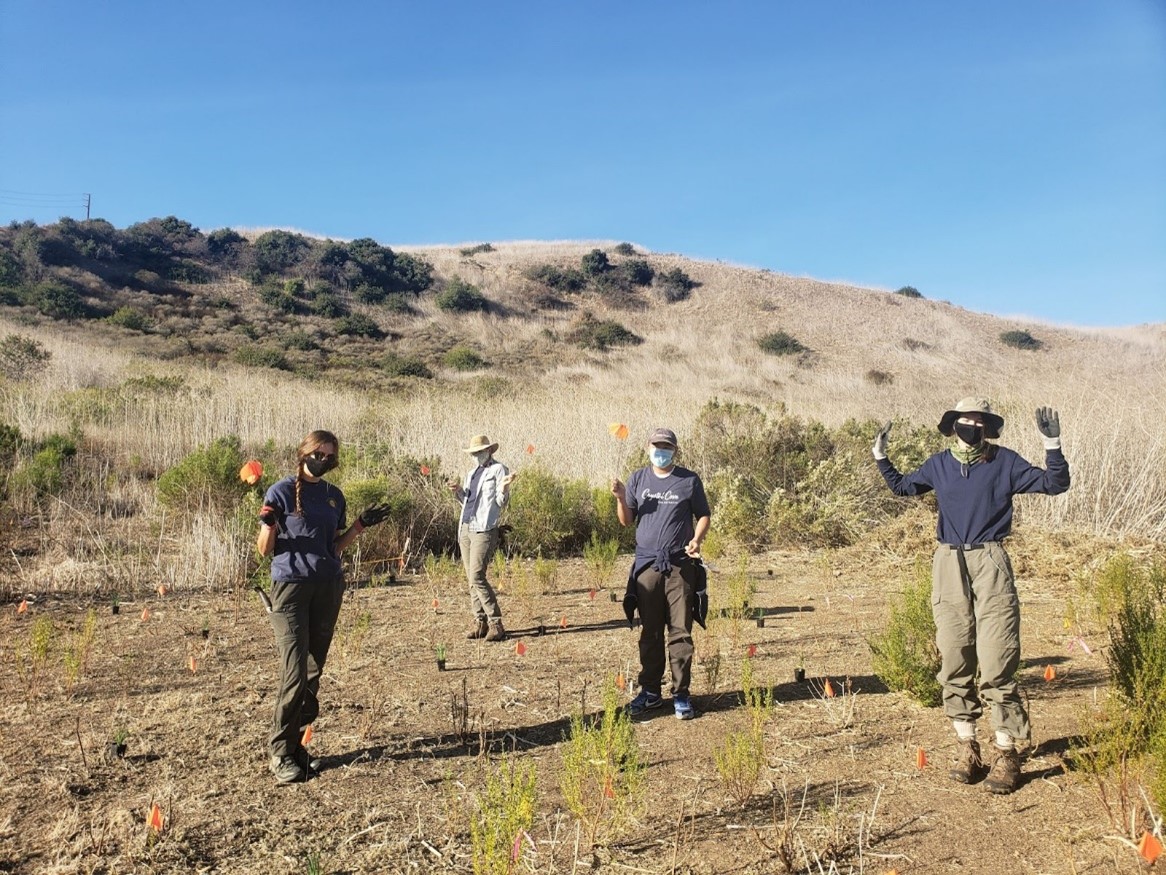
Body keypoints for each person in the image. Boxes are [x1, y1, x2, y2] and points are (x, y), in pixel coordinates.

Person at [872, 398, 1070, 794]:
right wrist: (881, 457)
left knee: (998, 656)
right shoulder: (939, 465)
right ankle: (968, 748)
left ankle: (1006, 751)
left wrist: (1053, 446)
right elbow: (901, 486)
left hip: (991, 559)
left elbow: (1055, 484)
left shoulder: (1005, 462)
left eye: (977, 421)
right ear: (952, 426)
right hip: (947, 563)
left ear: (987, 428)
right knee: (954, 651)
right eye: (964, 420)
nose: (970, 426)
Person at [256, 430, 390, 784]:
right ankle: (280, 752)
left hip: (328, 586)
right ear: (304, 452)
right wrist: (270, 523)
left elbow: (334, 546)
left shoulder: (334, 496)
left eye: (331, 456)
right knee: (294, 672)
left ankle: (298, 748)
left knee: (313, 672)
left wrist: (360, 525)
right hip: (290, 588)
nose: (325, 460)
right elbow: (264, 549)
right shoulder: (281, 491)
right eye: (320, 454)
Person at [611, 427, 711, 721]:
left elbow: (703, 515)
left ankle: (681, 694)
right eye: (657, 446)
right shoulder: (638, 479)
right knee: (650, 632)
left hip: (681, 565)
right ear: (648, 448)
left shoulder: (689, 480)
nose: (661, 451)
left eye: (667, 447)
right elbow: (626, 521)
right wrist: (620, 497)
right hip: (647, 567)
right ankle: (651, 693)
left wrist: (697, 539)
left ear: (675, 450)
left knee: (681, 631)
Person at [448, 434, 516, 642]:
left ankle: (496, 623)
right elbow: (467, 501)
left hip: (485, 528)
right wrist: (458, 491)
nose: (477, 456)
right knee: (471, 579)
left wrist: (504, 487)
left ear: (489, 451)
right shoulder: (471, 474)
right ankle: (480, 623)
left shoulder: (498, 470)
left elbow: (500, 501)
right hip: (466, 527)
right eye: (474, 453)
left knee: (477, 575)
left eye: (479, 452)